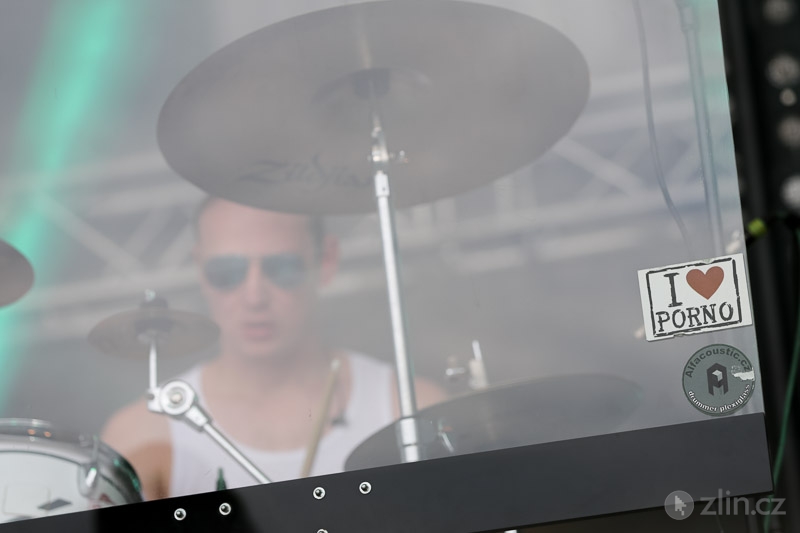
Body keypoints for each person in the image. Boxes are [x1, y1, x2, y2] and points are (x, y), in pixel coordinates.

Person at [102, 197, 446, 499]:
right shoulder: (141, 433)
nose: (254, 296)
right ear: (200, 269)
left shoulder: (410, 410)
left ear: (326, 260)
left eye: (282, 268)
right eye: (227, 272)